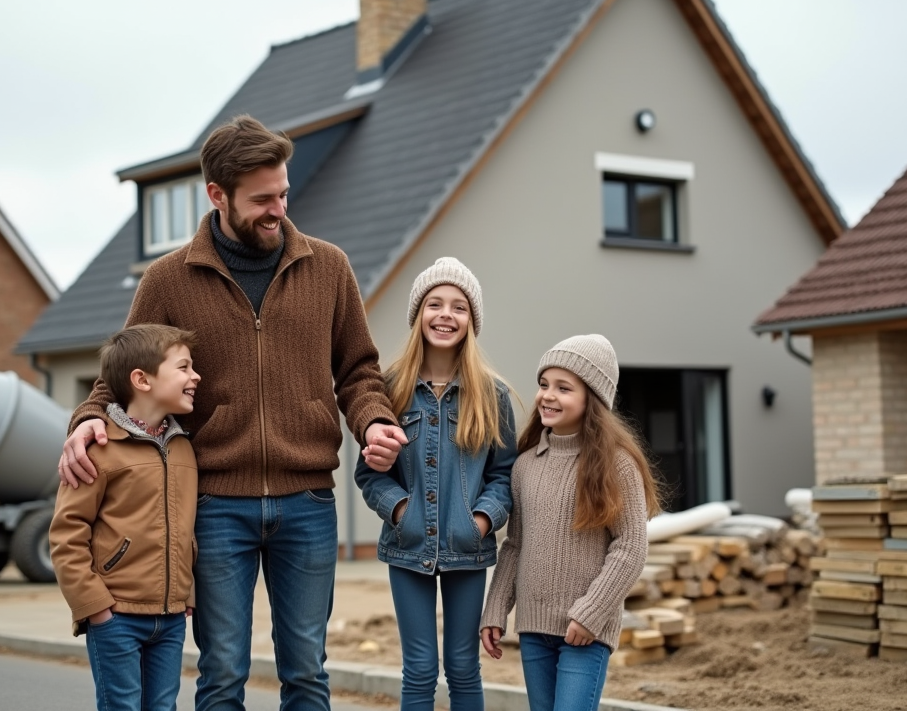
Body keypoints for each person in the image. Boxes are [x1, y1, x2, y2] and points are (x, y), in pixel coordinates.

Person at [57, 114, 407, 711]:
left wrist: (374, 420)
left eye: (284, 194)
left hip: (308, 501)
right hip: (215, 503)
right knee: (221, 672)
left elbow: (358, 370)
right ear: (217, 195)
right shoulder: (168, 279)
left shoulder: (329, 267)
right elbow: (123, 372)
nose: (279, 209)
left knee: (307, 671)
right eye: (262, 199)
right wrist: (87, 417)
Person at [355, 257, 517, 711]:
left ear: (472, 321)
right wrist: (401, 511)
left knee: (463, 666)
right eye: (435, 304)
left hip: (468, 549)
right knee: (420, 669)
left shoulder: (493, 395)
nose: (446, 315)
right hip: (408, 546)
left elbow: (504, 474)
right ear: (418, 314)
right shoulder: (389, 389)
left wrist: (479, 521)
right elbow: (370, 473)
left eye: (459, 307)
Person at [479, 334, 661, 711]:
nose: (548, 395)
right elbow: (515, 545)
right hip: (533, 629)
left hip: (585, 633)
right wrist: (496, 609)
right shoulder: (525, 466)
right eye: (544, 384)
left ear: (592, 399)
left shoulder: (617, 464)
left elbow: (630, 548)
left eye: (564, 388)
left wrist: (590, 614)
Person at [49, 323, 202, 711]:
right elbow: (67, 535)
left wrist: (185, 592)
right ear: (142, 380)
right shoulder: (99, 449)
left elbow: (185, 529)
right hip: (116, 616)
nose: (196, 376)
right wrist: (95, 607)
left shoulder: (184, 448)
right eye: (183, 367)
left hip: (170, 617)